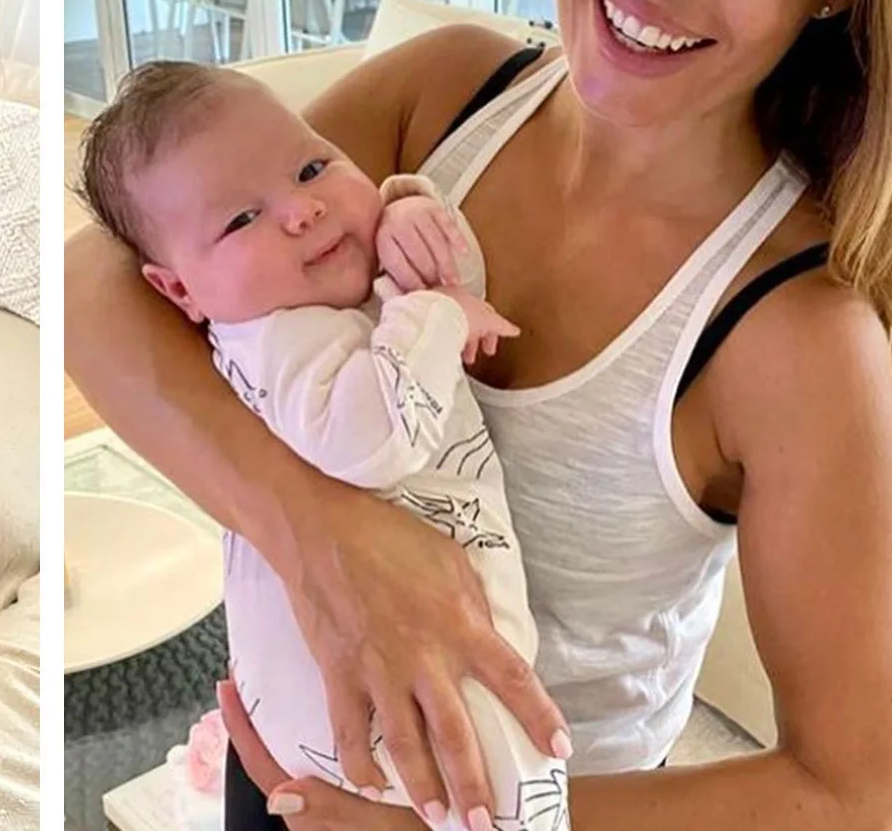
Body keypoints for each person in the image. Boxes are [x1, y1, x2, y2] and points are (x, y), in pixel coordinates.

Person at [64, 0, 892, 828]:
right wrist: (319, 534)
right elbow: (96, 278)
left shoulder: (796, 338)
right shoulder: (445, 96)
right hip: (285, 771)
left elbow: (847, 790)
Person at [75, 60, 563, 831]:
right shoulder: (278, 340)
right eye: (240, 221)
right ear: (180, 293)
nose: (301, 211)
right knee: (497, 786)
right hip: (376, 696)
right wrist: (427, 304)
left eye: (313, 167)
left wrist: (406, 211)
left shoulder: (324, 285)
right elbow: (374, 439)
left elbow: (460, 272)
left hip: (393, 662)